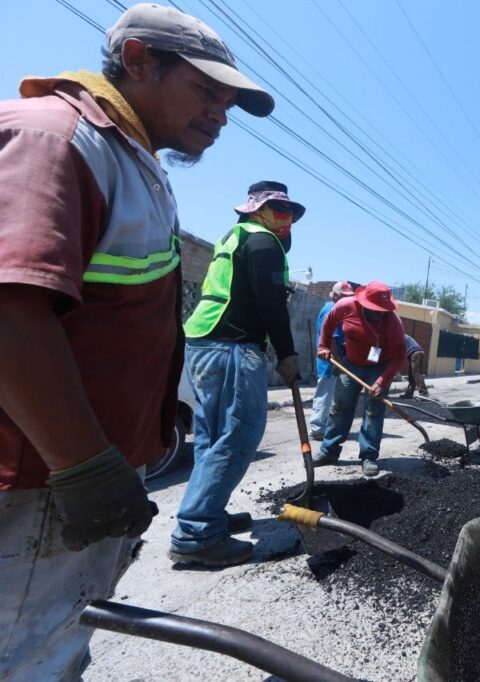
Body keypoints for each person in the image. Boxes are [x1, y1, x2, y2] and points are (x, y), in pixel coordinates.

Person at [0, 3, 272, 677]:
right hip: (39, 483)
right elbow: (9, 309)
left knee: (58, 648)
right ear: (139, 60)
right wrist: (85, 465)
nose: (220, 112)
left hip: (64, 481)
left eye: (229, 101)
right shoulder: (58, 139)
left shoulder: (130, 161)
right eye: (207, 90)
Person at [169, 180, 305, 567]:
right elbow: (271, 303)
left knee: (212, 438)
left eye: (290, 213)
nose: (287, 220)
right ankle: (196, 532)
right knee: (240, 433)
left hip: (204, 342)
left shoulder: (236, 236)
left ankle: (207, 512)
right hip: (231, 345)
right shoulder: (262, 241)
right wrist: (287, 353)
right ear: (258, 210)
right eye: (280, 211)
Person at [314, 281, 406, 476]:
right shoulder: (345, 305)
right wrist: (323, 346)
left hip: (379, 367)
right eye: (375, 309)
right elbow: (329, 322)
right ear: (363, 303)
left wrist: (382, 382)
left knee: (373, 411)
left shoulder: (393, 322)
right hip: (351, 364)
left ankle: (369, 456)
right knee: (340, 408)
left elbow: (399, 357)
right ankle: (328, 451)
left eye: (383, 310)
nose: (379, 313)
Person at [309, 281, 356, 439]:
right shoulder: (331, 309)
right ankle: (317, 429)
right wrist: (339, 362)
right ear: (335, 296)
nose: (347, 300)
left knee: (330, 395)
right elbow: (333, 339)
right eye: (344, 296)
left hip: (334, 360)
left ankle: (324, 426)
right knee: (325, 394)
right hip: (330, 361)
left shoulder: (338, 309)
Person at [401, 334, 429, 398]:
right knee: (411, 374)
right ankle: (409, 394)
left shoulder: (400, 337)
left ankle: (424, 393)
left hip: (416, 353)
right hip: (415, 353)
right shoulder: (403, 336)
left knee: (416, 374)